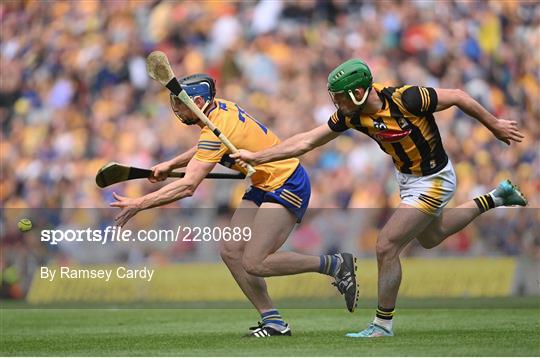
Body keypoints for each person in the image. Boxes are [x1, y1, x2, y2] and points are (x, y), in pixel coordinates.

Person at [231, 59, 528, 338]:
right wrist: (258, 157)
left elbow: (459, 96)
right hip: (407, 180)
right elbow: (307, 140)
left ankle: (382, 325)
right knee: (432, 236)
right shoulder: (352, 115)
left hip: (433, 179)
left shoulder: (407, 99)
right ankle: (495, 197)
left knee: (386, 245)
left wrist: (494, 124)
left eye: (340, 98)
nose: (337, 105)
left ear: (358, 92)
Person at [110, 74, 359, 337]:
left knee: (255, 262)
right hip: (262, 183)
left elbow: (188, 186)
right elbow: (205, 147)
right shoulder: (217, 111)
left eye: (179, 103)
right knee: (231, 251)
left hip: (286, 182)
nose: (176, 109)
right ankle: (273, 321)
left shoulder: (217, 127)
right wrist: (171, 165)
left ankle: (333, 265)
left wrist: (140, 203)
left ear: (197, 102)